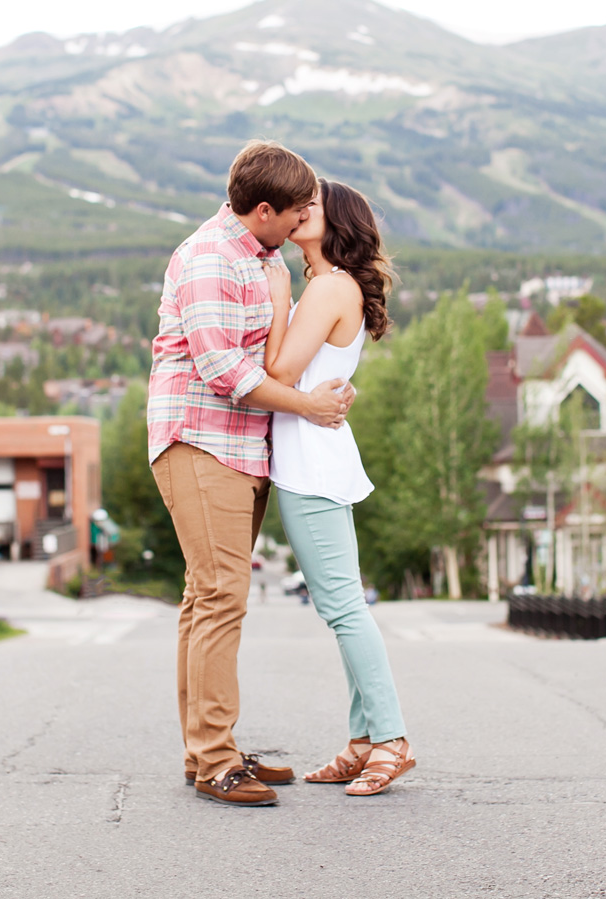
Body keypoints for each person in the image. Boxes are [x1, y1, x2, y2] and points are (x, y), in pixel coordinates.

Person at [147, 140, 356, 808]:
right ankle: (215, 760)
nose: (301, 227)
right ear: (262, 209)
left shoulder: (257, 258)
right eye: (293, 216)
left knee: (202, 596)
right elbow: (225, 372)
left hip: (238, 448)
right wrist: (310, 407)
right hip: (201, 441)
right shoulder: (211, 257)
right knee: (221, 597)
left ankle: (207, 748)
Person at [262, 178, 415, 797]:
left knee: (344, 608)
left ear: (338, 221)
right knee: (343, 604)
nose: (300, 212)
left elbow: (279, 372)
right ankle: (361, 740)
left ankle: (392, 739)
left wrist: (276, 296)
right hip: (316, 455)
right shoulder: (331, 286)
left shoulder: (326, 287)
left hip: (311, 464)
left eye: (312, 206)